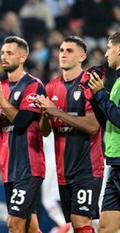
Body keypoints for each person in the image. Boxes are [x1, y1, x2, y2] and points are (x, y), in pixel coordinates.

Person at [38, 36, 104, 232]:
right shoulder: (51, 87)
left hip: (88, 168)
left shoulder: (90, 84)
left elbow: (93, 126)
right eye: (61, 50)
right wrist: (44, 115)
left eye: (69, 51)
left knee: (81, 221)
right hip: (63, 170)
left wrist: (56, 111)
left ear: (82, 56)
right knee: (77, 225)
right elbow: (45, 131)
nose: (63, 54)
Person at [0, 36, 45, 233]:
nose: (4, 57)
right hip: (8, 167)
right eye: (2, 52)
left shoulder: (33, 85)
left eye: (9, 53)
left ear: (23, 57)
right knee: (31, 227)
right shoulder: (3, 86)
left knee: (14, 224)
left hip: (28, 167)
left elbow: (21, 121)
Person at [87, 31, 120, 233]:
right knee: (106, 228)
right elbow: (108, 119)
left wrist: (101, 94)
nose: (106, 54)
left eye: (109, 48)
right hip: (115, 162)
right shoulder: (116, 82)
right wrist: (94, 96)